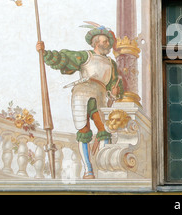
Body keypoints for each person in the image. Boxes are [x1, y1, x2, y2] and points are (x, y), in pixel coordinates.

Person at [36, 23, 124, 179]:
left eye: (107, 42)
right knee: (83, 130)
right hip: (82, 93)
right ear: (95, 42)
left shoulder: (111, 64)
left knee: (104, 130)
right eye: (103, 41)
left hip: (101, 96)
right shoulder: (85, 56)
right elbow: (64, 58)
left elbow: (114, 83)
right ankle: (88, 169)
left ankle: (99, 166)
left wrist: (115, 91)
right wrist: (45, 53)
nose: (106, 44)